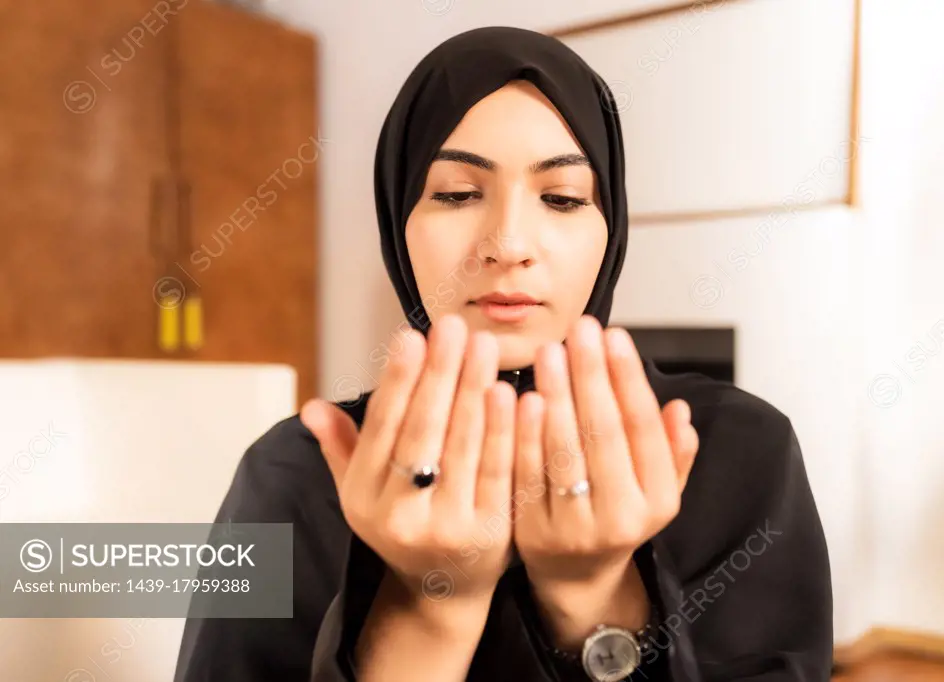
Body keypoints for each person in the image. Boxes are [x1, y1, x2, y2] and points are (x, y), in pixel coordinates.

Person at [174, 26, 832, 682]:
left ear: (612, 227)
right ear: (397, 221)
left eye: (562, 198)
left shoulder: (742, 450)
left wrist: (596, 596)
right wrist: (431, 611)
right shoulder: (291, 473)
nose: (509, 242)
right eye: (457, 193)